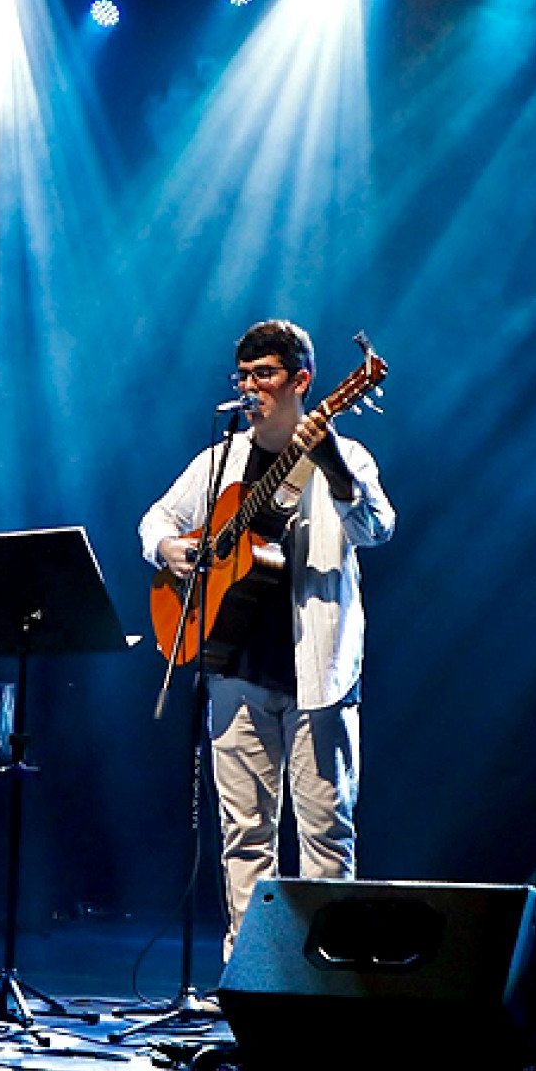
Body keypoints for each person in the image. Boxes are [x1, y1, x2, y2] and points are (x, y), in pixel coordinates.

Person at [140, 320, 395, 960]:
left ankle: (327, 974)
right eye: (244, 376)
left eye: (265, 375)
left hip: (320, 671)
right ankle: (248, 972)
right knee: (245, 836)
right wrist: (172, 549)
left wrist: (335, 470)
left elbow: (377, 527)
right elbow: (157, 520)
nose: (251, 387)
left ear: (301, 381)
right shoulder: (219, 462)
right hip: (234, 667)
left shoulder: (349, 452)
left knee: (325, 835)